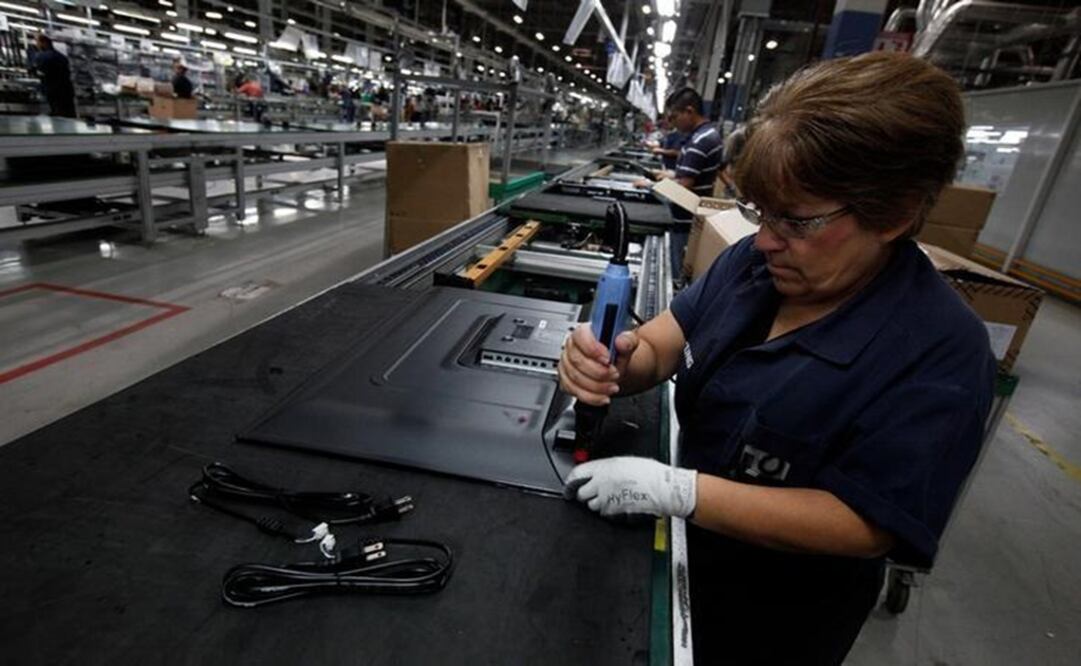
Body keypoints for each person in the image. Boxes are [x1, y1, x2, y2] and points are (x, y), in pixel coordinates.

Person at [559, 52, 995, 666]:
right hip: (677, 560)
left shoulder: (939, 352)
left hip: (772, 621)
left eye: (796, 219)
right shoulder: (755, 266)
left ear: (895, 213)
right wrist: (612, 360)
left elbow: (866, 523)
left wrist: (681, 491)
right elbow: (660, 342)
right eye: (761, 212)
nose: (765, 239)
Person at [31, 34, 76, 118]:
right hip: (67, 91)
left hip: (53, 92)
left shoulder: (41, 56)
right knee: (69, 116)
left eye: (38, 42)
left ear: (44, 43)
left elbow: (35, 71)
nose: (37, 45)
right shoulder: (62, 57)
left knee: (58, 116)